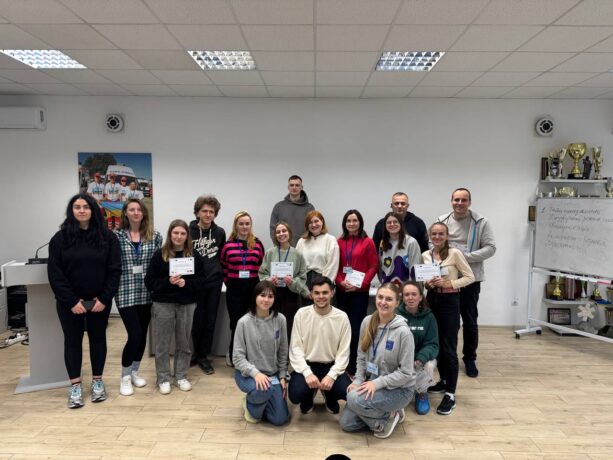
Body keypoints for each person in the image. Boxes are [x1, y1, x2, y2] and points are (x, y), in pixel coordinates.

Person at [47, 193, 121, 409]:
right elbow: (55, 274)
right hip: (69, 303)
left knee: (98, 340)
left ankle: (97, 382)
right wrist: (71, 301)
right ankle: (75, 386)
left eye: (86, 207)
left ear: (93, 210)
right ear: (71, 211)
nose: (81, 210)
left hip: (99, 302)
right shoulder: (60, 239)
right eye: (77, 207)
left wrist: (104, 298)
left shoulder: (108, 237)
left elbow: (114, 270)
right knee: (72, 342)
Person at [340, 283, 415, 439]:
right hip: (372, 382)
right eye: (380, 297)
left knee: (353, 399)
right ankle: (387, 413)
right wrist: (358, 380)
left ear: (397, 303)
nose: (383, 302)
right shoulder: (367, 322)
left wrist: (377, 383)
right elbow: (361, 355)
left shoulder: (403, 332)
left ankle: (389, 416)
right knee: (347, 423)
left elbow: (406, 373)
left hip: (399, 389)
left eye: (389, 299)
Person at [438, 187, 496, 378]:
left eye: (464, 200)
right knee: (449, 322)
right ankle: (448, 356)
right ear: (451, 201)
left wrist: (463, 258)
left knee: (469, 321)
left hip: (471, 279)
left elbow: (490, 248)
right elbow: (434, 243)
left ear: (470, 202)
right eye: (456, 200)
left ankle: (470, 358)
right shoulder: (442, 220)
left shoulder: (481, 222)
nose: (460, 203)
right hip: (447, 280)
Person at [144, 219, 205, 394]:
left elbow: (202, 280)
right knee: (162, 344)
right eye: (176, 233)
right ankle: (163, 378)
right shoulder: (160, 255)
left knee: (184, 343)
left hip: (187, 304)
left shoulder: (194, 255)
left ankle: (181, 376)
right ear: (170, 234)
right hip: (164, 304)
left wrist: (187, 283)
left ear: (187, 236)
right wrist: (168, 282)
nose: (179, 236)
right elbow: (150, 282)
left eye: (183, 233)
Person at [423, 222, 474, 415]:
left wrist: (449, 283)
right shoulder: (425, 255)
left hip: (450, 300)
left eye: (441, 234)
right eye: (434, 234)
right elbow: (424, 280)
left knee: (448, 347)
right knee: (436, 344)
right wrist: (427, 284)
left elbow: (470, 277)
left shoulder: (455, 253)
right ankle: (443, 381)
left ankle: (451, 395)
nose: (437, 237)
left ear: (447, 236)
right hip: (432, 299)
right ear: (430, 236)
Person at [114, 198, 162, 396]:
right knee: (134, 335)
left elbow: (159, 263)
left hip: (146, 292)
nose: (135, 213)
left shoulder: (155, 236)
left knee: (142, 335)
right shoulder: (116, 236)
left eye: (139, 210)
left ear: (143, 213)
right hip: (125, 291)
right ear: (125, 213)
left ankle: (134, 371)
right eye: (131, 209)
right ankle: (124, 377)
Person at [289, 276, 352, 415]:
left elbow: (343, 352)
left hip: (331, 365)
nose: (321, 296)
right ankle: (308, 395)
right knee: (295, 394)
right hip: (307, 364)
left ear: (332, 293)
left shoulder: (342, 317)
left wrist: (332, 375)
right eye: (317, 293)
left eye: (325, 292)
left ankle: (330, 396)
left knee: (347, 392)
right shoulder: (301, 314)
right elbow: (296, 348)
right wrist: (307, 373)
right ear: (311, 294)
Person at [233, 280, 290, 426]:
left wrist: (282, 376)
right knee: (264, 392)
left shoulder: (280, 319)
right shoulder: (243, 322)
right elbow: (237, 358)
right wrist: (256, 374)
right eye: (262, 295)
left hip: (272, 375)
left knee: (280, 419)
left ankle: (261, 400)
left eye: (270, 296)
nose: (266, 300)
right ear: (255, 297)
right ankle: (250, 403)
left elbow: (283, 351)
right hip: (248, 375)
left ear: (274, 299)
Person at [335, 209, 378, 376]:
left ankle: (354, 368)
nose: (351, 223)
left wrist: (361, 285)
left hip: (359, 293)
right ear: (344, 224)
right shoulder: (338, 242)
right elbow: (335, 266)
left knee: (355, 331)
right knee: (342, 330)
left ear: (360, 223)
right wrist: (340, 281)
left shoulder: (368, 242)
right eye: (348, 221)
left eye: (355, 220)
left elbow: (373, 266)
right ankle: (341, 366)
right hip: (342, 292)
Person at [220, 211, 265, 367]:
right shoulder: (228, 245)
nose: (244, 226)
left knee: (253, 323)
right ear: (236, 225)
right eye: (241, 224)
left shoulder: (257, 244)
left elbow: (262, 265)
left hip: (253, 288)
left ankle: (250, 355)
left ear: (250, 225)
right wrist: (229, 282)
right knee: (236, 323)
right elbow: (223, 266)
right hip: (235, 290)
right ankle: (233, 352)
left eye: (247, 223)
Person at [189, 195, 226, 375]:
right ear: (197, 212)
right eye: (204, 211)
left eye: (211, 211)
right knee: (195, 321)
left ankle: (204, 356)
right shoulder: (188, 231)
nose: (208, 214)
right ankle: (195, 353)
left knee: (210, 320)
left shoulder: (219, 232)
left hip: (214, 283)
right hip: (194, 283)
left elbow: (222, 256)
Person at [259, 221, 309, 341]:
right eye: (278, 232)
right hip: (273, 295)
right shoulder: (270, 253)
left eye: (284, 231)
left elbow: (302, 277)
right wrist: (270, 280)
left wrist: (293, 282)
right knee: (272, 325)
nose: (281, 234)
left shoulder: (298, 254)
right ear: (275, 235)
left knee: (289, 326)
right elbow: (262, 273)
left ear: (289, 233)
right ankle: (272, 350)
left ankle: (287, 351)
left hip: (291, 295)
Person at [397, 281, 439, 415]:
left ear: (420, 297)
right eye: (407, 294)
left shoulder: (429, 317)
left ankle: (422, 393)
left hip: (420, 359)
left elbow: (432, 344)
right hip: (400, 357)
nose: (410, 298)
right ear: (402, 297)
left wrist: (421, 357)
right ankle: (397, 393)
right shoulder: (396, 315)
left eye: (414, 294)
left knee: (429, 365)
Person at [295, 210, 339, 290]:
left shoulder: (330, 240)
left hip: (323, 279)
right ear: (307, 225)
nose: (314, 225)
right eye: (310, 222)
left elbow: (333, 265)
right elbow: (297, 264)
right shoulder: (302, 241)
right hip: (304, 281)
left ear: (322, 221)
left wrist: (325, 284)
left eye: (316, 221)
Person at [269, 175, 315, 247]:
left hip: (304, 248)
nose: (294, 187)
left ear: (301, 187)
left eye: (297, 185)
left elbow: (312, 230)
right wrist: (279, 246)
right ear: (288, 187)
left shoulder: (309, 208)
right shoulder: (278, 207)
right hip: (283, 248)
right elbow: (273, 229)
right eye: (292, 185)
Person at [378, 212, 422, 286]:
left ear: (401, 224)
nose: (392, 224)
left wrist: (411, 288)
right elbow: (381, 268)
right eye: (389, 222)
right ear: (385, 226)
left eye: (395, 222)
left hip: (406, 288)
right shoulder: (383, 243)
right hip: (387, 287)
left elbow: (415, 269)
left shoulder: (411, 242)